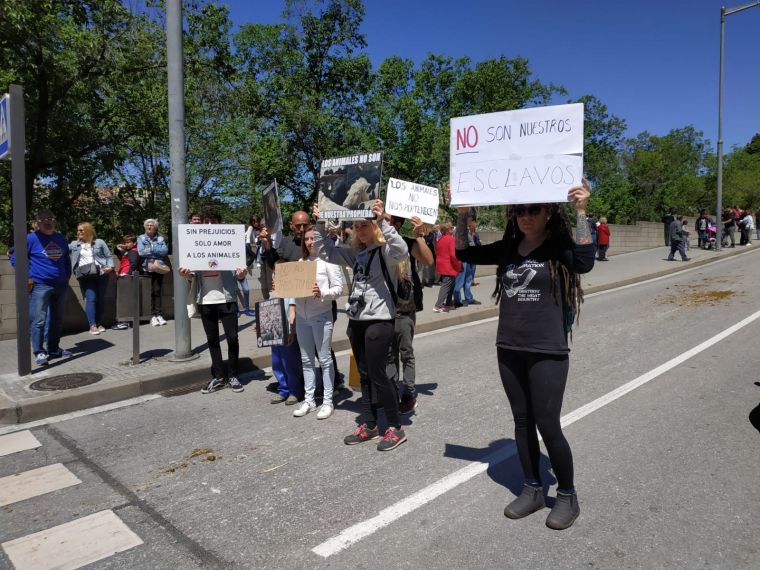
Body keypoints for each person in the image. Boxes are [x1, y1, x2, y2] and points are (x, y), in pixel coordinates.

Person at [453, 180, 594, 530]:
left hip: (547, 349)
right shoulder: (509, 248)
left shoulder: (559, 246)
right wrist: (463, 215)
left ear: (549, 212)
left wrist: (581, 212)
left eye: (534, 209)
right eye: (520, 211)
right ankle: (532, 488)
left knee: (548, 424)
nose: (526, 216)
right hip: (510, 347)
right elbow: (463, 254)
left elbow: (585, 261)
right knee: (521, 421)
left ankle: (566, 495)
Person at [312, 199, 409, 451]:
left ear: (374, 227)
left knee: (378, 374)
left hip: (379, 321)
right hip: (356, 320)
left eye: (365, 225)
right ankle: (370, 424)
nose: (361, 230)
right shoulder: (356, 253)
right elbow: (325, 252)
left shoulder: (384, 252)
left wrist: (384, 222)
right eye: (357, 226)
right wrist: (320, 224)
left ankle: (395, 428)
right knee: (364, 376)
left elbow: (401, 250)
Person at [262, 210, 345, 389]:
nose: (301, 229)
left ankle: (334, 382)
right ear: (291, 226)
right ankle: (303, 387)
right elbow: (277, 267)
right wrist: (267, 246)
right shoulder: (286, 244)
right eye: (298, 225)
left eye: (305, 225)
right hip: (299, 309)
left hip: (321, 307)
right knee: (302, 352)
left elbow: (336, 279)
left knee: (322, 350)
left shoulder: (322, 245)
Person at [179, 207, 247, 394]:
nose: (209, 225)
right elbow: (192, 274)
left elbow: (239, 273)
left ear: (219, 224)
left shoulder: (229, 242)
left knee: (232, 337)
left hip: (227, 297)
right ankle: (219, 377)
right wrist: (186, 275)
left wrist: (241, 275)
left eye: (213, 221)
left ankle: (233, 375)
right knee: (213, 340)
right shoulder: (195, 243)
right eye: (206, 221)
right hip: (205, 300)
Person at [292, 226, 344, 419]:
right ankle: (309, 400)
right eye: (306, 239)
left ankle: (328, 401)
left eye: (313, 238)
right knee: (306, 360)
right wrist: (280, 286)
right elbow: (292, 289)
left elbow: (339, 289)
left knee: (324, 360)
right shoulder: (300, 262)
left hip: (321, 316)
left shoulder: (329, 260)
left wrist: (322, 294)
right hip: (302, 317)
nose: (309, 242)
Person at [386, 215, 434, 415]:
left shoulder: (407, 243)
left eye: (387, 220)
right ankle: (391, 391)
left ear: (396, 225)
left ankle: (409, 393)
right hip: (382, 309)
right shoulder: (376, 244)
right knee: (388, 355)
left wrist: (419, 236)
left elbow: (429, 260)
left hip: (405, 307)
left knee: (405, 352)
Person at [12, 209, 72, 366]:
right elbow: (15, 259)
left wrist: (67, 276)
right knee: (38, 320)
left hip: (60, 284)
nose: (46, 221)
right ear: (37, 222)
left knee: (57, 320)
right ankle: (39, 352)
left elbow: (66, 258)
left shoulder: (60, 238)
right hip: (40, 285)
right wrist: (27, 277)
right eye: (42, 219)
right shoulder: (30, 239)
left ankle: (53, 349)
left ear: (54, 220)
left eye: (49, 218)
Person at [69, 222, 115, 335]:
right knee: (91, 299)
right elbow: (61, 249)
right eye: (78, 230)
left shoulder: (99, 242)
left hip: (101, 273)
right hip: (85, 276)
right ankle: (92, 325)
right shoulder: (74, 244)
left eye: (81, 230)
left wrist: (110, 267)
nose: (78, 232)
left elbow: (108, 255)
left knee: (100, 299)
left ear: (88, 230)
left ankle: (99, 323)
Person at [137, 218, 169, 325]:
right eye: (148, 225)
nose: (150, 227)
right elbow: (141, 252)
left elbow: (164, 251)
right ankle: (151, 316)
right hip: (146, 268)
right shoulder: (141, 238)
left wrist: (150, 250)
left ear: (155, 228)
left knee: (157, 291)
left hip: (158, 267)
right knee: (149, 292)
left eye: (152, 225)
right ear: (145, 227)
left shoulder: (160, 238)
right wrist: (156, 251)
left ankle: (159, 314)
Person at [453, 215, 482, 307]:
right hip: (462, 259)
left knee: (468, 279)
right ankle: (457, 300)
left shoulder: (469, 231)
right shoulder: (460, 230)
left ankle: (468, 298)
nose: (474, 223)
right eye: (473, 221)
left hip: (469, 258)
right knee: (460, 280)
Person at [112, 234, 140, 330]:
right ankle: (125, 321)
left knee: (124, 300)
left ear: (134, 243)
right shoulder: (128, 252)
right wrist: (118, 247)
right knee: (124, 299)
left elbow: (133, 265)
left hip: (126, 277)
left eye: (128, 242)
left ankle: (124, 322)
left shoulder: (133, 252)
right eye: (125, 242)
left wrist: (128, 275)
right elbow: (116, 252)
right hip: (124, 276)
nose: (126, 244)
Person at [433, 222, 460, 313]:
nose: (453, 229)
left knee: (450, 285)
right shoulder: (451, 239)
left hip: (442, 265)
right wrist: (458, 264)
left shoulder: (440, 239)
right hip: (449, 266)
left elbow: (436, 251)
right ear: (449, 230)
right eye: (452, 228)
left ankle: (448, 304)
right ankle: (438, 305)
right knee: (446, 286)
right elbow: (453, 255)